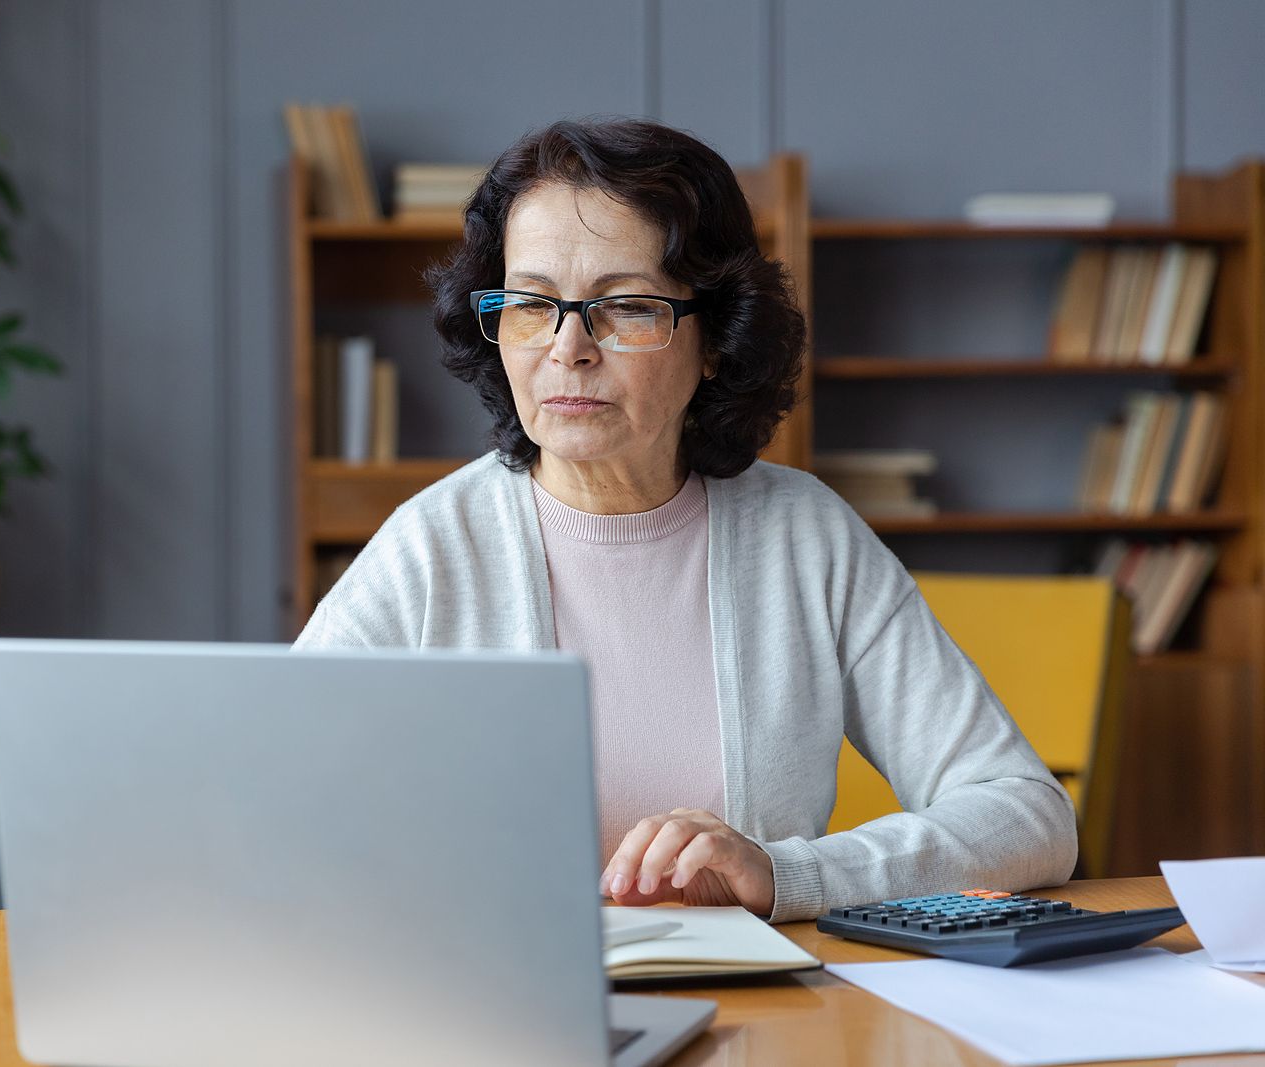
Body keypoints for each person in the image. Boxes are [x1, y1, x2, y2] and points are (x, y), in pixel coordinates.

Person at [294, 117, 1076, 922]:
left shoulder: (806, 538)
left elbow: (1027, 815)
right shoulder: (431, 547)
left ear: (715, 338)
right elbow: (271, 798)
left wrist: (785, 874)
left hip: (769, 1023)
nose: (568, 347)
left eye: (624, 306)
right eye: (531, 305)